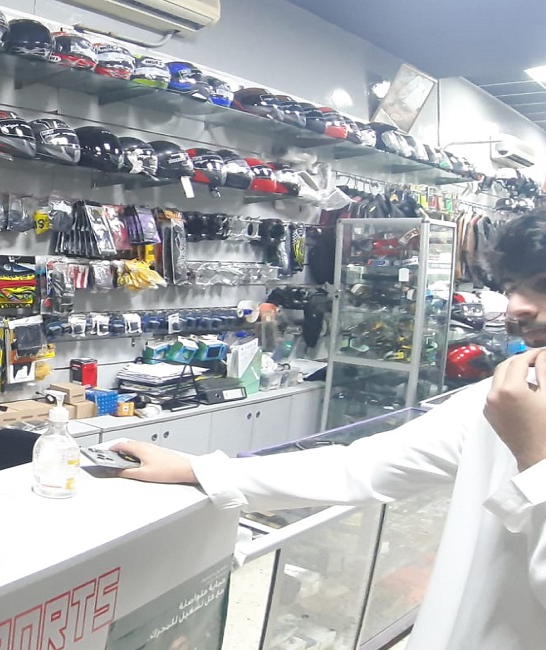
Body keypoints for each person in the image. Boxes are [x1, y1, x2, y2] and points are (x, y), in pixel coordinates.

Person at [113, 211, 546, 649]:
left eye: (542, 285)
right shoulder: (507, 396)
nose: (517, 308)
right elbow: (364, 468)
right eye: (511, 288)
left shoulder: (515, 407)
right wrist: (199, 470)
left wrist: (534, 459)